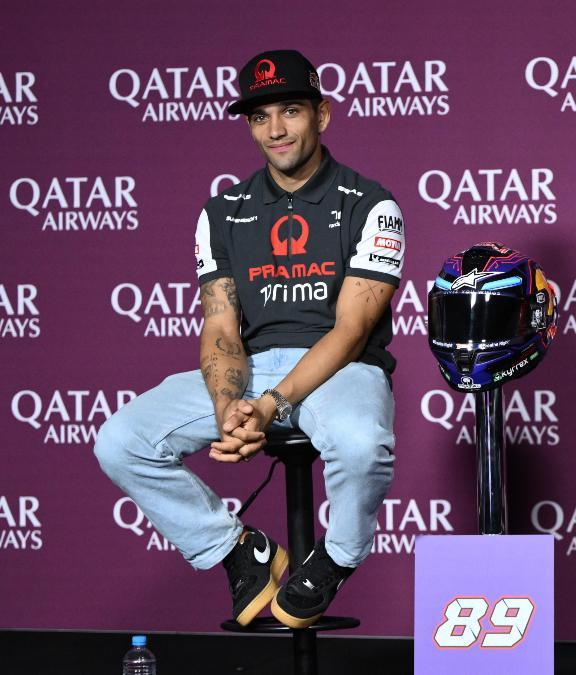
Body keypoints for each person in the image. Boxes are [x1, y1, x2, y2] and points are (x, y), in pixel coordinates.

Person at [94, 49, 405, 629]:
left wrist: (269, 406)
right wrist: (228, 405)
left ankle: (333, 560)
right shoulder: (222, 212)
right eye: (260, 117)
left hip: (341, 371)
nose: (276, 130)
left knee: (362, 442)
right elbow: (220, 324)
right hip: (255, 368)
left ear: (322, 115)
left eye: (290, 110)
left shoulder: (370, 203)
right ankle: (238, 549)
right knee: (121, 440)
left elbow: (352, 329)